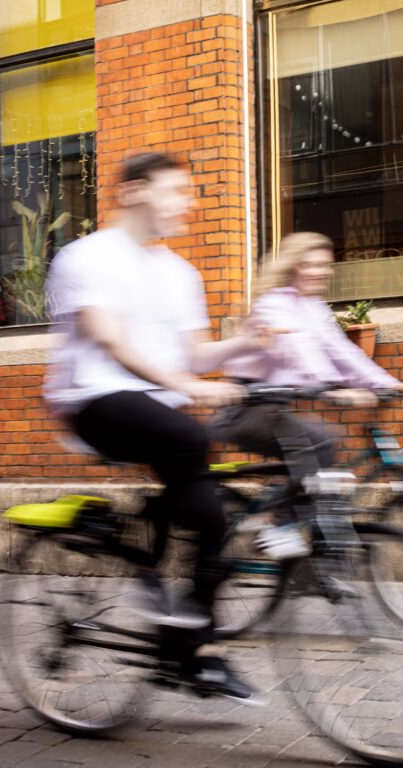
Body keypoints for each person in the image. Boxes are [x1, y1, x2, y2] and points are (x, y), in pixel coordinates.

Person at [43, 151, 267, 704]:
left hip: (159, 411)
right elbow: (110, 341)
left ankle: (194, 653)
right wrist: (188, 387)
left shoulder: (180, 272)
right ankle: (160, 592)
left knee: (214, 513)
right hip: (94, 402)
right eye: (176, 191)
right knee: (192, 439)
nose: (187, 205)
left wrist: (248, 343)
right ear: (136, 191)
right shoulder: (85, 257)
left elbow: (193, 353)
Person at [213, 232, 403, 554]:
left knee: (325, 457)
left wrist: (384, 383)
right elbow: (297, 347)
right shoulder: (273, 303)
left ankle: (310, 548)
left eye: (325, 265)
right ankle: (277, 522)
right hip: (247, 405)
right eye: (311, 265)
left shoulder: (314, 308)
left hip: (276, 406)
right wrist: (333, 387)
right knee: (321, 441)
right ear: (293, 267)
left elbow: (341, 349)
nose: (321, 272)